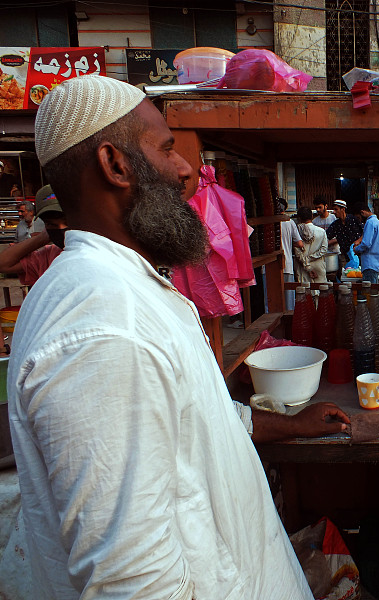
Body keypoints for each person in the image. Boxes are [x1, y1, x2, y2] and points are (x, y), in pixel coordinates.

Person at [9, 74, 349, 599]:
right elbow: (132, 581)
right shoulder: (105, 325)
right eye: (167, 148)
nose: (187, 169)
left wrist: (288, 426)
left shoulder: (123, 289)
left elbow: (191, 417)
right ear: (114, 164)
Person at [0, 185, 66, 285]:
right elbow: (3, 264)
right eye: (51, 224)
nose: (61, 229)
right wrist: (42, 237)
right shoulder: (48, 255)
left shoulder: (95, 250)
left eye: (67, 222)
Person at [278, 196, 304, 311]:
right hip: (287, 264)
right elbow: (299, 243)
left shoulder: (267, 222)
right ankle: (290, 324)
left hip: (268, 267)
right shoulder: (289, 222)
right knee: (289, 300)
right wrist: (288, 243)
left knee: (271, 299)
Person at [353, 202, 379, 284]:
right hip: (378, 263)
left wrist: (356, 249)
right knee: (377, 288)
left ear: (362, 212)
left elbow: (366, 244)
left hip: (369, 264)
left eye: (359, 218)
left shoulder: (370, 223)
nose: (361, 221)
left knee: (369, 293)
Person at [294, 205, 328, 286]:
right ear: (312, 216)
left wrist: (306, 262)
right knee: (321, 292)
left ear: (299, 218)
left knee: (305, 293)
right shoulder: (321, 231)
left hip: (303, 267)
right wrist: (311, 258)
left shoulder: (297, 232)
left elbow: (297, 252)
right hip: (318, 266)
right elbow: (324, 249)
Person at [326, 198, 362, 273]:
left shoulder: (354, 220)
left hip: (360, 254)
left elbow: (365, 233)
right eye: (333, 210)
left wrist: (358, 241)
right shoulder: (335, 225)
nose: (334, 212)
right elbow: (326, 236)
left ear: (343, 209)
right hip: (347, 256)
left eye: (336, 209)